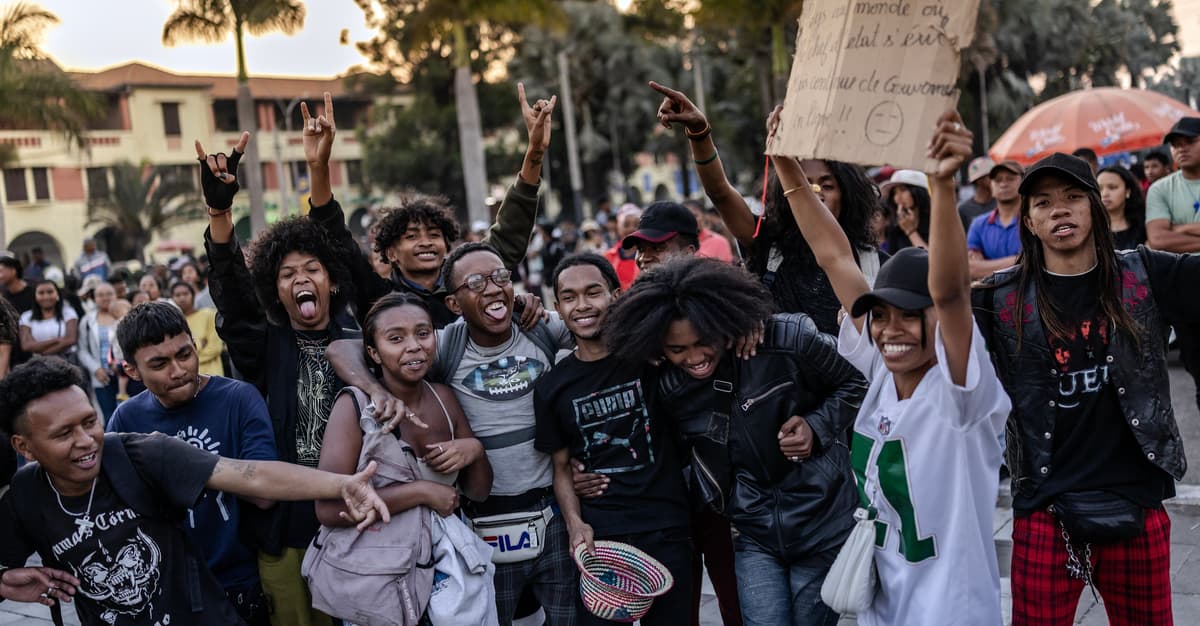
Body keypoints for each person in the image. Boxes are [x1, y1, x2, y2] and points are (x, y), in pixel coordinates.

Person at [772, 109, 1010, 625]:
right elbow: (834, 256)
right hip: (882, 610)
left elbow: (949, 293)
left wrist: (941, 184)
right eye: (880, 315)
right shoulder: (879, 373)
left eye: (909, 315)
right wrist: (786, 165)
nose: (889, 329)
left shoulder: (961, 395)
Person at [975, 151, 1197, 626]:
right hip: (1045, 505)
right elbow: (935, 311)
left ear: (1096, 209)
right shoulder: (999, 299)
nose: (1060, 210)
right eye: (1043, 203)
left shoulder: (1146, 273)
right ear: (1030, 222)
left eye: (1074, 197)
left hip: (1136, 499)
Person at [0, 356, 389, 626]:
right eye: (64, 434)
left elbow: (250, 475)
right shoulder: (24, 496)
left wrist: (341, 484)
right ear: (24, 447)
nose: (86, 441)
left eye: (89, 422)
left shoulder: (140, 453)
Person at [602, 255, 867, 626]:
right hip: (753, 532)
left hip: (822, 523)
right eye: (677, 349)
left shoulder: (786, 339)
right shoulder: (670, 385)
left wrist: (816, 425)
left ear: (723, 320)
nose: (694, 358)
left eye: (702, 342)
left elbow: (858, 382)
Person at [328, 240, 579, 626]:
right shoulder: (447, 345)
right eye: (476, 282)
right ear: (454, 306)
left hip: (552, 509)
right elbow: (342, 350)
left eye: (500, 277)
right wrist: (375, 389)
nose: (492, 288)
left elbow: (599, 335)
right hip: (469, 528)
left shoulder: (537, 327)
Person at [199, 131, 362, 626]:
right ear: (275, 289)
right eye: (287, 273)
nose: (300, 279)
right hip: (281, 531)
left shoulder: (364, 341)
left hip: (354, 520)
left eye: (311, 268)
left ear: (331, 280)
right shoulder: (263, 344)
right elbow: (232, 296)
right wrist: (220, 216)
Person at [533, 253, 693, 626]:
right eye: (569, 297)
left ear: (616, 295)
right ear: (558, 307)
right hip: (600, 538)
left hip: (667, 526)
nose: (583, 305)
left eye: (594, 292)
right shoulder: (552, 387)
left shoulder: (651, 359)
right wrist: (575, 525)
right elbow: (559, 468)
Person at [322, 86, 554, 328]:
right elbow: (338, 239)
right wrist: (319, 167)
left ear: (446, 245)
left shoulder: (470, 282)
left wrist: (535, 151)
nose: (425, 242)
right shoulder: (379, 298)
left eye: (434, 235)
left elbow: (510, 230)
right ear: (391, 253)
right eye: (411, 236)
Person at [106, 302, 277, 624]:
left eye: (184, 354)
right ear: (131, 371)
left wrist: (179, 466)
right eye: (159, 363)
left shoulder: (239, 399)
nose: (178, 370)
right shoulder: (125, 419)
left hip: (239, 580)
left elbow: (265, 494)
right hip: (165, 586)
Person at [317, 291, 492, 549]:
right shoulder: (354, 406)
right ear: (373, 353)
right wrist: (421, 493)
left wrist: (475, 451)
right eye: (396, 338)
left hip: (444, 568)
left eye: (423, 333)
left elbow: (479, 493)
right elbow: (328, 508)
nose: (414, 346)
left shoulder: (444, 398)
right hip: (379, 571)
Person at [1146, 116, 1200, 413]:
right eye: (1175, 145)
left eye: (1189, 142)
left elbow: (1169, 235)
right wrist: (1172, 233)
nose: (1180, 149)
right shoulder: (1160, 189)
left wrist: (1181, 229)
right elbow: (1158, 238)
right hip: (1186, 291)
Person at [77, 282, 121, 420]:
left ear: (116, 295)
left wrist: (121, 364)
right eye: (100, 295)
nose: (105, 298)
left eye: (109, 294)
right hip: (102, 377)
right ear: (94, 298)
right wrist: (96, 369)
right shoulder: (87, 321)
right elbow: (82, 350)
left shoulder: (125, 315)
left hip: (124, 375)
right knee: (109, 416)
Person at [621, 201, 700, 270]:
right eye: (640, 249)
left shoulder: (703, 286)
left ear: (688, 253)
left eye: (656, 248)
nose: (643, 258)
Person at [171, 281, 225, 376]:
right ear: (173, 298)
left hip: (213, 374)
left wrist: (187, 357)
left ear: (193, 295)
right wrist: (200, 344)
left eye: (185, 293)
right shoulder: (175, 323)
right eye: (177, 295)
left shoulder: (208, 314)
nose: (182, 298)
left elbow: (215, 347)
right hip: (188, 377)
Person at [19, 280, 79, 365]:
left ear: (57, 294)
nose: (46, 296)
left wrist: (44, 354)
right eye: (41, 293)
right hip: (38, 365)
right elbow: (26, 345)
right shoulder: (26, 317)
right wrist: (56, 340)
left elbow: (71, 339)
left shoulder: (68, 312)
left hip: (67, 362)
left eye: (50, 292)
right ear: (35, 296)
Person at [879, 170, 931, 252]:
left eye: (903, 190)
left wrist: (910, 231)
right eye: (895, 193)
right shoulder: (895, 229)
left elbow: (933, 260)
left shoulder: (935, 222)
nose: (898, 197)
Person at [1098, 166, 1147, 250]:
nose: (1104, 194)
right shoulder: (1089, 228)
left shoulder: (1145, 226)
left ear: (1128, 191)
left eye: (1112, 187)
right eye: (1099, 188)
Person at [602, 204, 642, 290]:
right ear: (618, 227)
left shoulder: (648, 256)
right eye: (626, 225)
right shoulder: (608, 256)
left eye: (636, 225)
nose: (631, 229)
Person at [958, 156, 997, 233]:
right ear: (978, 179)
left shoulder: (1000, 204)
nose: (995, 179)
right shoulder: (963, 210)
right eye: (991, 175)